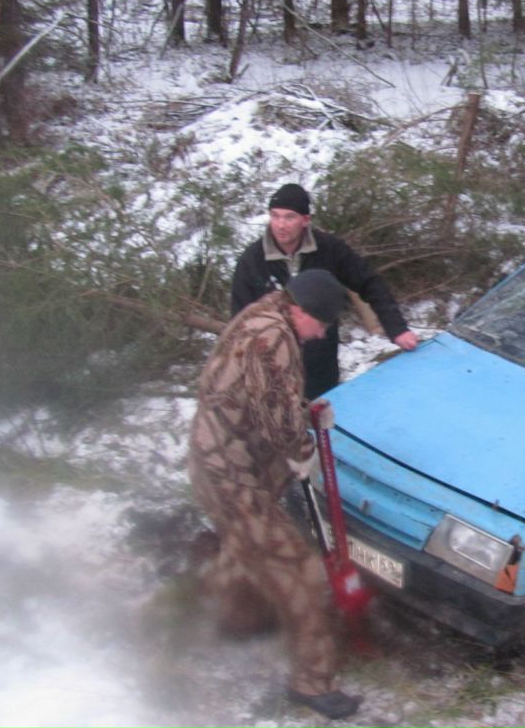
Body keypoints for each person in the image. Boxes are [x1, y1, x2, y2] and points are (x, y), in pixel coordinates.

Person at [187, 269, 361, 720]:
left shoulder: (264, 313)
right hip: (233, 476)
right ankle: (314, 684)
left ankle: (224, 616)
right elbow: (278, 417)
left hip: (218, 461)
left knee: (246, 546)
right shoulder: (275, 338)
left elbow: (262, 395)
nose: (320, 335)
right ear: (301, 311)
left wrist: (306, 414)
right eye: (320, 326)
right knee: (300, 569)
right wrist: (302, 448)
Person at [231, 183, 418, 398]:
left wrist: (397, 328)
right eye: (275, 216)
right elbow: (240, 320)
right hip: (273, 370)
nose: (280, 225)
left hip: (321, 365)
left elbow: (369, 282)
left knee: (322, 424)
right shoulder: (252, 260)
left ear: (305, 220)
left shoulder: (329, 249)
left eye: (289, 217)